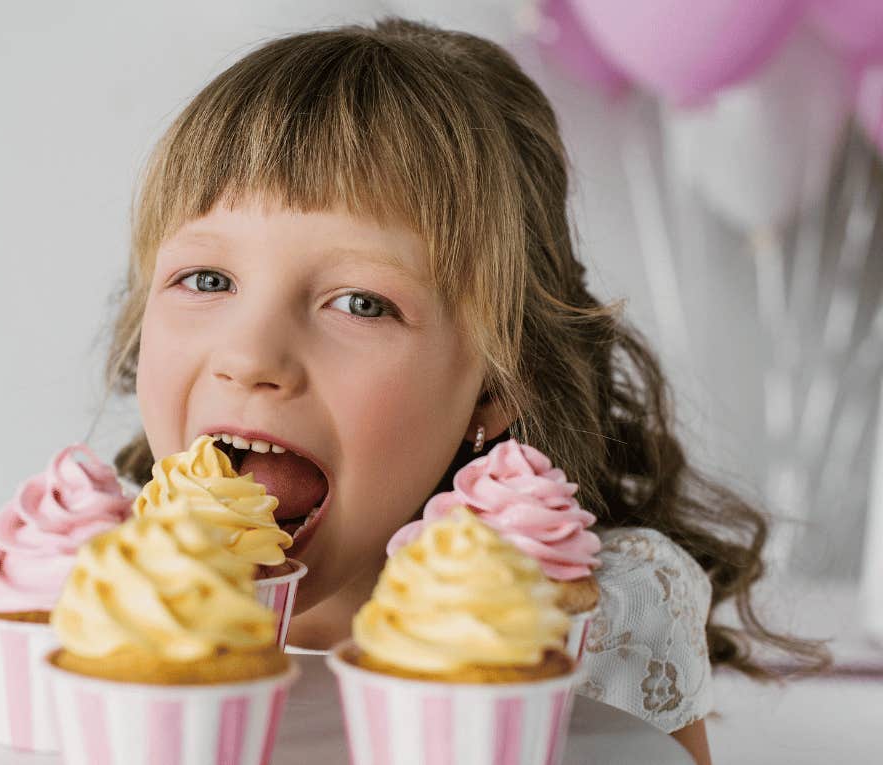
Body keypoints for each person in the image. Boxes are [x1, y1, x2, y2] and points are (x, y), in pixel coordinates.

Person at [93, 18, 828, 765]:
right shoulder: (93, 585)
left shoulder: (606, 612)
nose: (250, 355)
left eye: (361, 302)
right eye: (207, 279)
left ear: (492, 388)